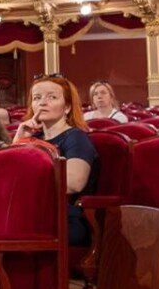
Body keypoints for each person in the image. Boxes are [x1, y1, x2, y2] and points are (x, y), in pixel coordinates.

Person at [13, 76, 98, 246]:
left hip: (64, 216)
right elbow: (9, 176)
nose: (43, 102)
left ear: (67, 107)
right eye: (37, 98)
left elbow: (74, 183)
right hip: (33, 210)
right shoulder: (31, 137)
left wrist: (25, 184)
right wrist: (18, 140)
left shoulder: (76, 138)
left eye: (52, 97)